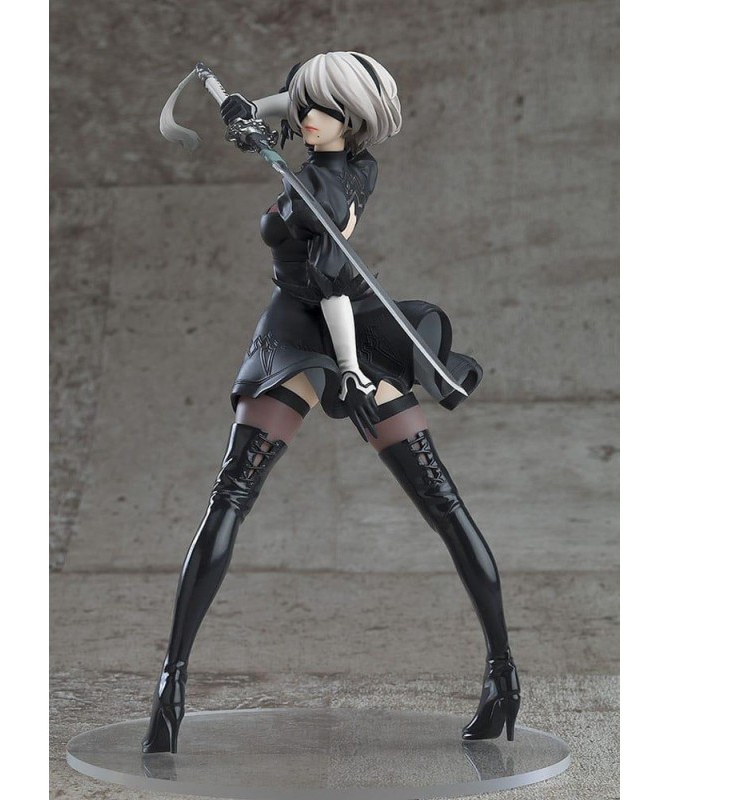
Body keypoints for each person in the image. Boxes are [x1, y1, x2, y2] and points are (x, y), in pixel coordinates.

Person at [143, 51, 520, 754]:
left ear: (354, 120)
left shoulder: (327, 190)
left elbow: (336, 286)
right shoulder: (348, 159)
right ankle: (172, 684)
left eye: (326, 110)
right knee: (232, 495)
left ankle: (504, 675)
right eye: (306, 106)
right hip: (292, 327)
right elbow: (295, 103)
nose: (307, 117)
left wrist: (348, 371)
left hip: (337, 327)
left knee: (441, 500)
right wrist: (247, 110)